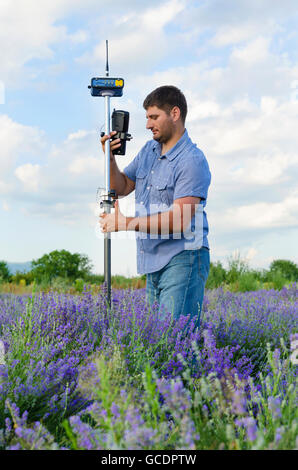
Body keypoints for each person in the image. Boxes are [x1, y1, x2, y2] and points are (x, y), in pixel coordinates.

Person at [100, 85, 211, 329]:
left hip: (184, 257)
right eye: (147, 118)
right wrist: (109, 158)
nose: (148, 125)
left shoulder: (192, 160)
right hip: (153, 260)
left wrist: (125, 223)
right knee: (157, 343)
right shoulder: (149, 150)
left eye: (153, 117)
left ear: (174, 114)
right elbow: (122, 186)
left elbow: (180, 219)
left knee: (175, 343)